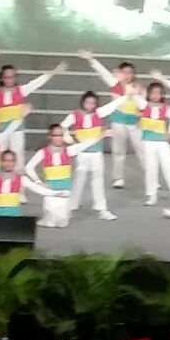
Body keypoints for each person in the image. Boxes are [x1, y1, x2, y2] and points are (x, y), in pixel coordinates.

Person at [0, 60, 68, 166]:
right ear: (2, 78)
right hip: (1, 130)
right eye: (7, 77)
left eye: (12, 77)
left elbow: (36, 83)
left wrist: (53, 72)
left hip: (17, 130)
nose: (10, 80)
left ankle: (18, 176)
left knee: (18, 156)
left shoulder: (21, 90)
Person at [77, 50, 145, 189]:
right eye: (124, 72)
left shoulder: (139, 87)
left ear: (133, 74)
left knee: (142, 150)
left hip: (134, 123)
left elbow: (144, 106)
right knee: (118, 151)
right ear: (120, 73)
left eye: (130, 72)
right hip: (118, 121)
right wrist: (91, 59)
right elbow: (102, 71)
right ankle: (118, 178)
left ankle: (151, 178)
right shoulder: (115, 84)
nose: (127, 75)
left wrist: (141, 119)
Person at [59, 91, 124, 221]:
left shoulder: (98, 113)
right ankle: (70, 207)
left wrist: (127, 96)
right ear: (83, 103)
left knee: (98, 180)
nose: (90, 105)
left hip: (96, 153)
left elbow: (112, 106)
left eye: (93, 103)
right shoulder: (75, 115)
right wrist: (68, 139)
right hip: (82, 153)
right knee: (79, 180)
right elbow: (62, 126)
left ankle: (101, 209)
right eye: (88, 102)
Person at [23, 124, 102, 229]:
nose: (59, 138)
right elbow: (28, 168)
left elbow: (87, 143)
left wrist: (101, 134)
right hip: (49, 191)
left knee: (62, 223)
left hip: (65, 192)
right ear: (49, 137)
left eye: (61, 135)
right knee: (50, 221)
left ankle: (56, 215)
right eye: (55, 135)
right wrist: (38, 182)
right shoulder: (43, 152)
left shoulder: (68, 151)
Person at [131, 81, 170, 207]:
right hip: (148, 141)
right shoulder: (144, 105)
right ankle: (152, 195)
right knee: (151, 168)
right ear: (149, 94)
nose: (155, 95)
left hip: (162, 142)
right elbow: (134, 96)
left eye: (158, 93)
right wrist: (137, 90)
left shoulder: (166, 107)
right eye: (153, 93)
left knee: (169, 165)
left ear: (162, 95)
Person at [0, 150, 64, 219]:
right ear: (1, 162)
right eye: (5, 161)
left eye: (11, 161)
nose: (8, 164)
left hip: (14, 217)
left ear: (15, 162)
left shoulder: (22, 179)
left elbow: (37, 189)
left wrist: (55, 193)